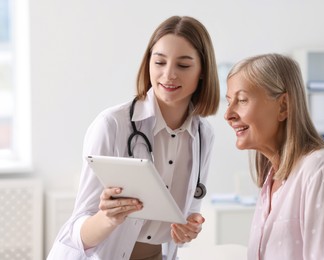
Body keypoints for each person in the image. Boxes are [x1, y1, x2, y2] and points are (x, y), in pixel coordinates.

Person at [47, 15, 219, 260]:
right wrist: (107, 217)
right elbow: (77, 230)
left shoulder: (203, 135)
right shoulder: (113, 125)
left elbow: (191, 212)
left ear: (203, 71)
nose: (168, 75)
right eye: (159, 62)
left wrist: (188, 229)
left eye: (183, 65)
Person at [223, 53, 324, 259]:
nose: (228, 114)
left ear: (283, 106)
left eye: (241, 100)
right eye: (229, 101)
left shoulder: (322, 169)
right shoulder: (274, 178)